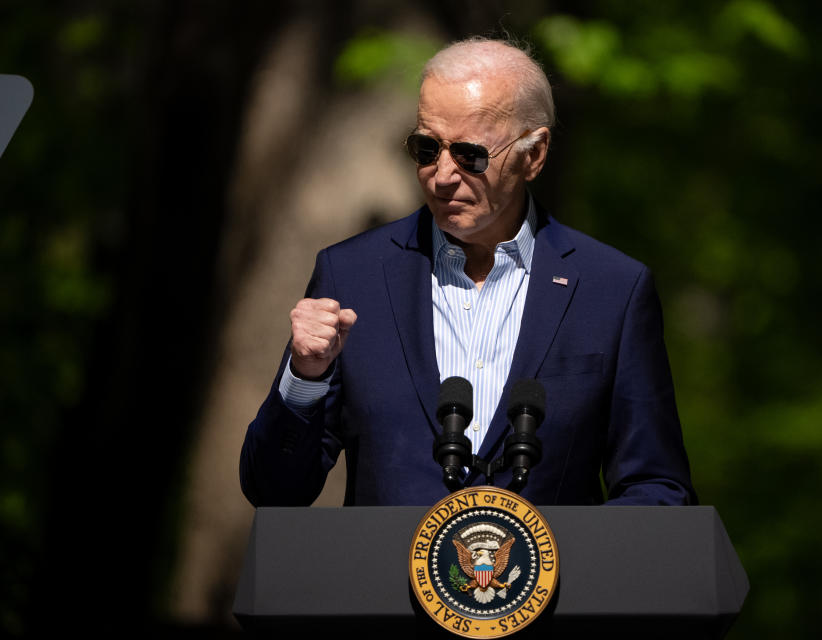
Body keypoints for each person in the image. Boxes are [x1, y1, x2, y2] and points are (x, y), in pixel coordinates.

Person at [240, 37, 695, 507]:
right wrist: (305, 379)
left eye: (469, 155)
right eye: (426, 148)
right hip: (386, 580)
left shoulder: (612, 290)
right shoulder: (353, 276)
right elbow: (273, 492)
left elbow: (657, 487)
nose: (441, 175)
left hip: (558, 580)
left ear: (533, 155)